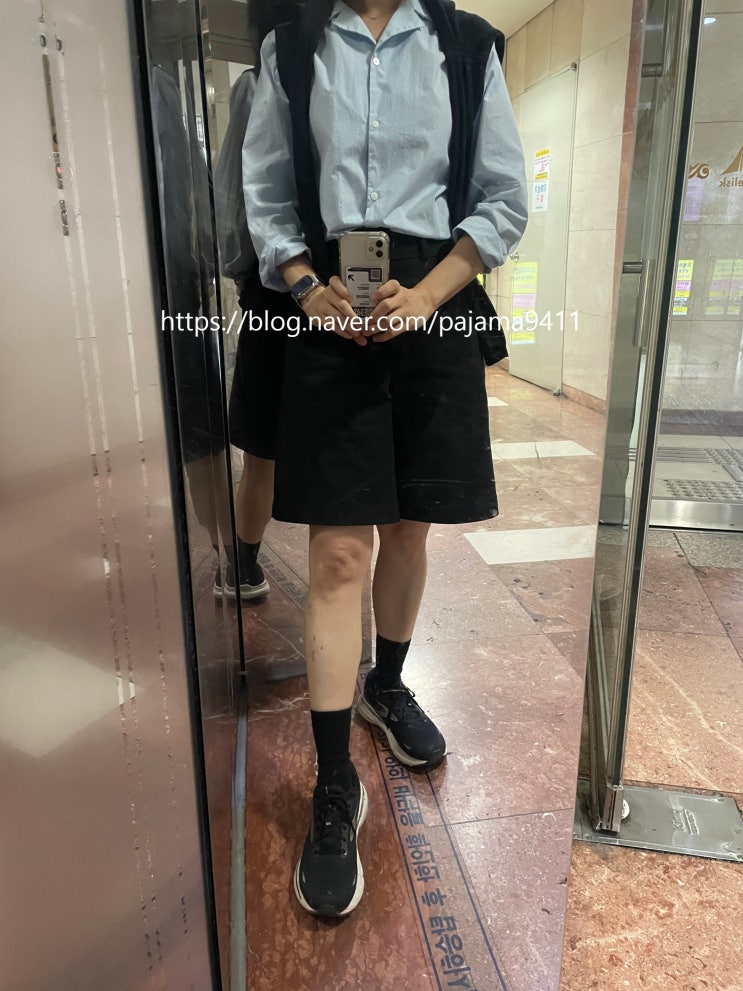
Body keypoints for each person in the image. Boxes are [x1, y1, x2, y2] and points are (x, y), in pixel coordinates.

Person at [243, 0, 528, 917]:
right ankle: (335, 785)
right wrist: (304, 287)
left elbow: (502, 197)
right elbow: (267, 192)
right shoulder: (292, 47)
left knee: (409, 527)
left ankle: (388, 685)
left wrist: (432, 294)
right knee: (336, 551)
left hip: (432, 305)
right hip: (328, 308)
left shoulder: (465, 45)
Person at [212, 0, 302, 602]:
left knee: (264, 444)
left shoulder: (254, 83)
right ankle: (246, 561)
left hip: (272, 289)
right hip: (326, 289)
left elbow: (232, 196)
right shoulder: (266, 81)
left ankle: (244, 563)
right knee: (282, 441)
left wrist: (242, 269)